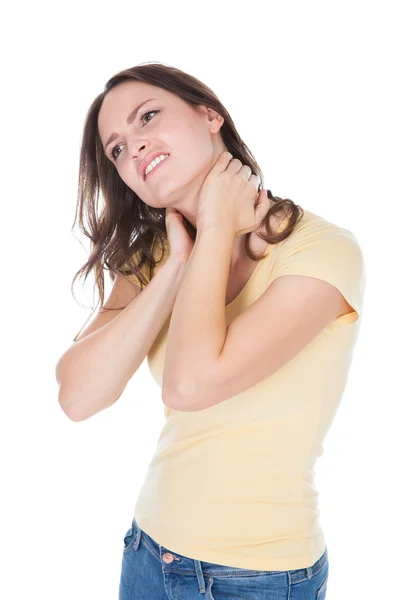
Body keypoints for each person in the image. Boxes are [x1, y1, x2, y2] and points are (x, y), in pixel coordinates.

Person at [55, 62, 366, 599]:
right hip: (149, 550)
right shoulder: (153, 258)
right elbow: (78, 396)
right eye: (117, 149)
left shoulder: (322, 251)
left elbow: (190, 384)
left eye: (148, 117)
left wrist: (220, 224)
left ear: (209, 115)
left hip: (259, 576)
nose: (135, 148)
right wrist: (177, 265)